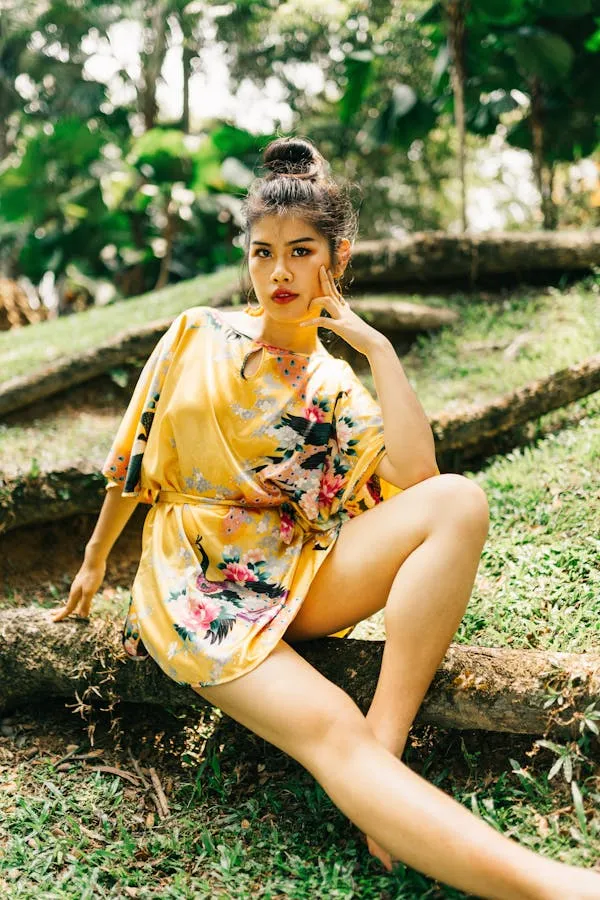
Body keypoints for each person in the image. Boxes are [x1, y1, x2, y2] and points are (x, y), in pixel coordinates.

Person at [50, 137, 600, 899]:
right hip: (198, 586)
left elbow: (417, 480)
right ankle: (558, 888)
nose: (278, 272)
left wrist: (375, 347)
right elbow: (132, 457)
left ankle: (388, 743)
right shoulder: (197, 333)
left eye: (300, 252)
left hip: (294, 571)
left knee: (459, 502)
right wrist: (91, 562)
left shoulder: (334, 383)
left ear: (334, 260)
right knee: (327, 726)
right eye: (262, 252)